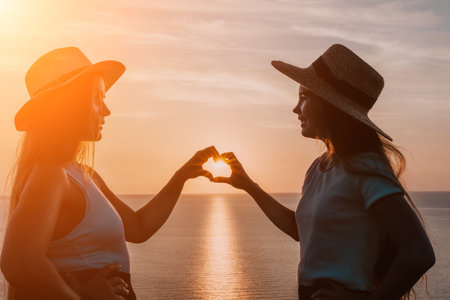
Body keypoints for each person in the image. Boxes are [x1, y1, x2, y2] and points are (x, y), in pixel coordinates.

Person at [213, 44, 435, 300]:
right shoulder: (319, 168)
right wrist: (250, 186)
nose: (296, 109)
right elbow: (301, 231)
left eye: (304, 97)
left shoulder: (365, 168)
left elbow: (419, 253)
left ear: (330, 106)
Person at [0, 47, 219, 299]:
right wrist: (80, 296)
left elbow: (138, 228)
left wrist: (181, 176)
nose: (106, 110)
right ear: (68, 104)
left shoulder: (84, 175)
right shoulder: (51, 175)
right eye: (98, 97)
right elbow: (18, 262)